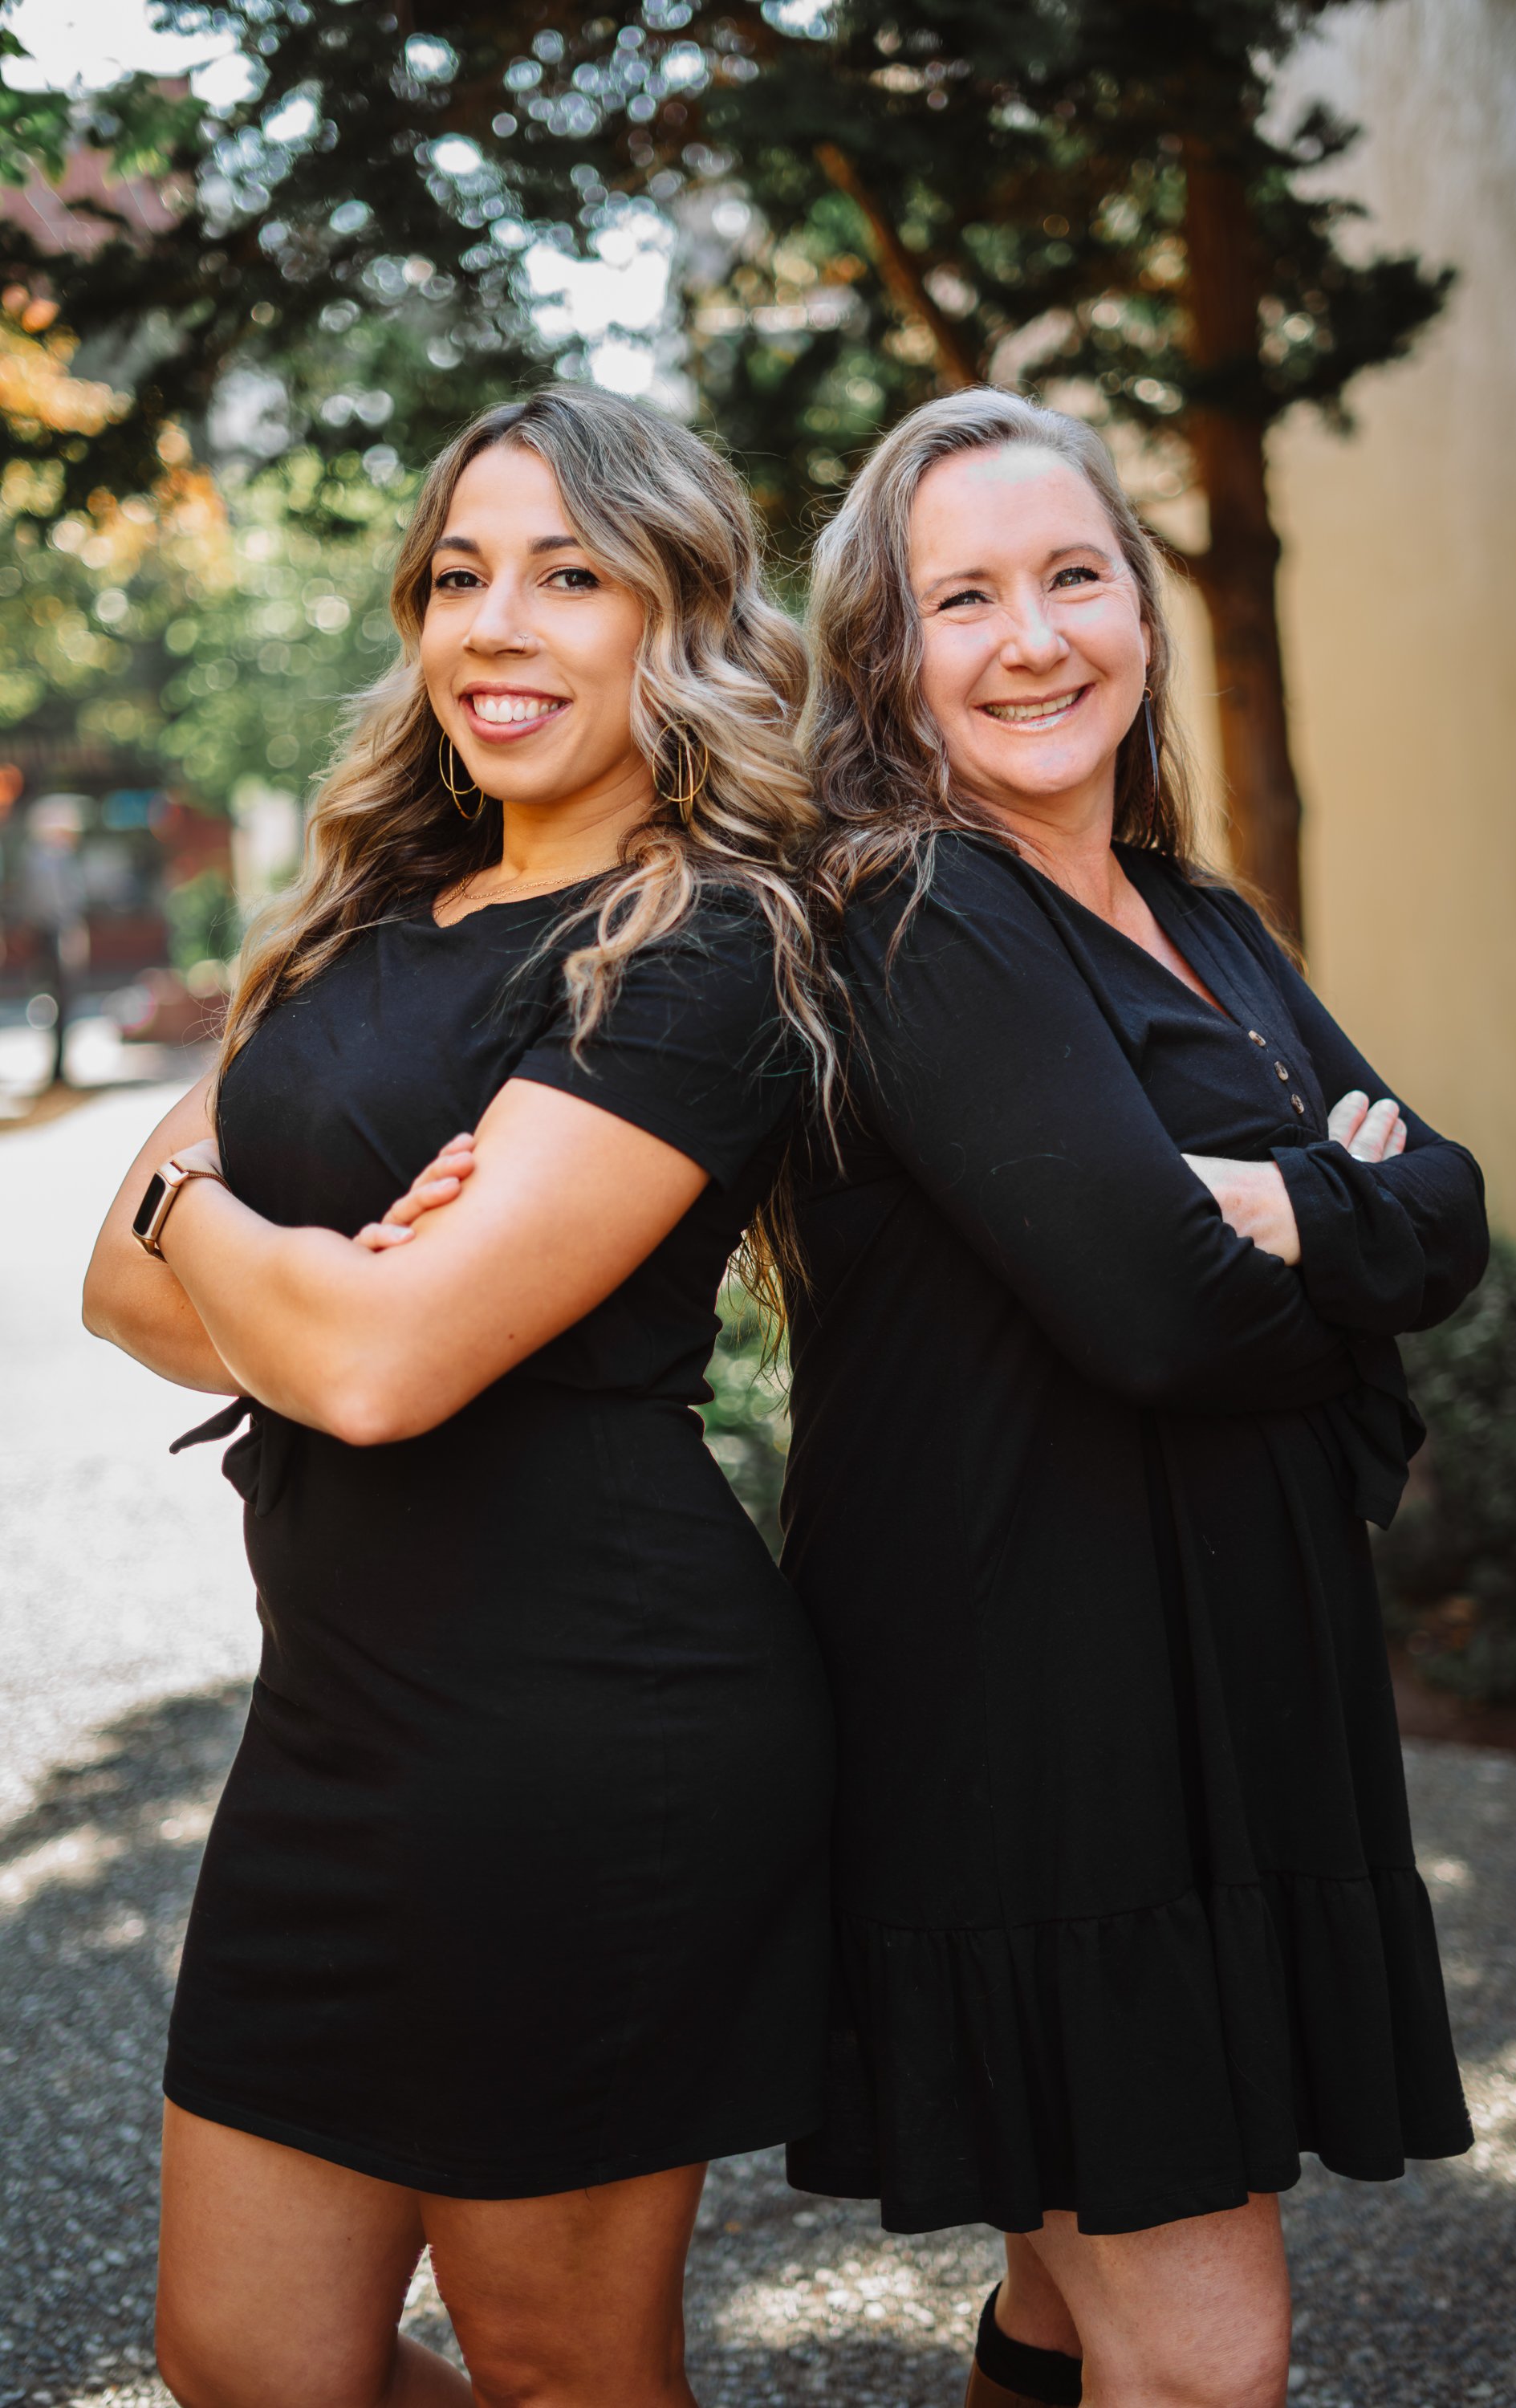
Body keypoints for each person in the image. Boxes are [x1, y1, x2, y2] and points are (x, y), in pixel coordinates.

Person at [82, 388, 835, 2408]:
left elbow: (375, 1365)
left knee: (559, 2369)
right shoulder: (357, 922)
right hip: (334, 1714)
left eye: (568, 576)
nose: (496, 625)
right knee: (240, 2355)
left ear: (673, 614)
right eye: (457, 576)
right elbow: (112, 1293)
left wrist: (210, 1211)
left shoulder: (703, 946)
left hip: (583, 1740)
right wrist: (278, 1264)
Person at [781, 389, 1487, 2408]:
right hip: (1044, 1710)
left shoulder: (1202, 921)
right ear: (884, 657)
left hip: (1215, 1677)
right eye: (964, 598)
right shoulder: (919, 906)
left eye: (1074, 577)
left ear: (1144, 616)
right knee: (1203, 2355)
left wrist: (1284, 1204)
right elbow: (1158, 1316)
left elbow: (1452, 1207)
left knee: (1064, 2296)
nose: (1032, 640)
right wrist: (1333, 1234)